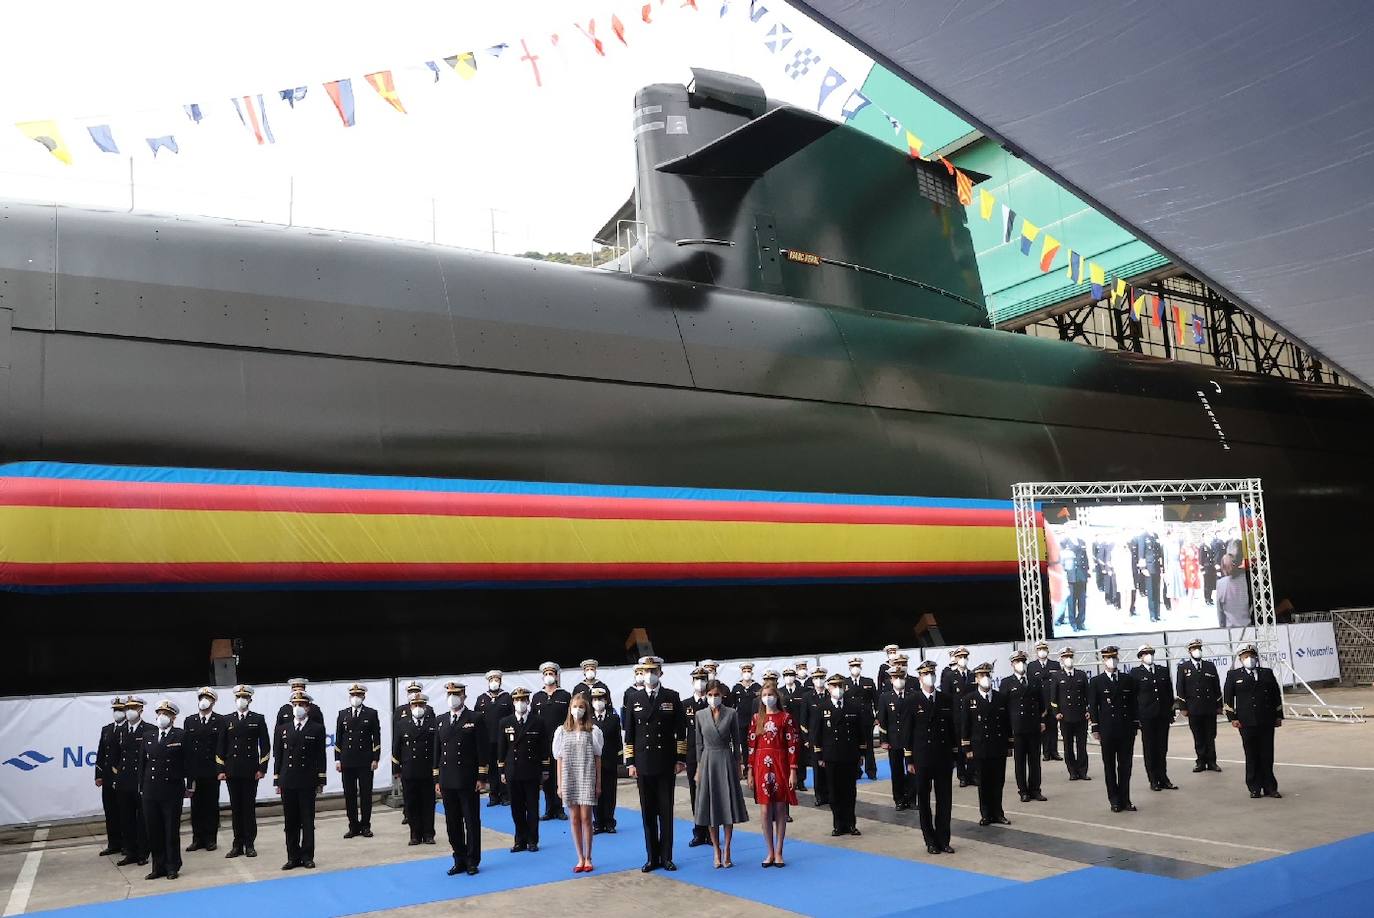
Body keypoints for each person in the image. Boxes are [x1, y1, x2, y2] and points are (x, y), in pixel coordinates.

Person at [624, 655, 687, 872]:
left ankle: (666, 856)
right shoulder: (634, 698)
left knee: (666, 811)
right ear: (641, 674)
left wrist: (680, 759)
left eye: (654, 671)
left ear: (660, 673)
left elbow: (681, 731)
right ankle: (652, 857)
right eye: (646, 671)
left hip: (666, 762)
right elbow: (629, 734)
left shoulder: (672, 696)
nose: (650, 675)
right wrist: (630, 762)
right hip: (643, 763)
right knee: (648, 811)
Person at [434, 681, 488, 876]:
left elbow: (482, 749)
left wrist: (482, 776)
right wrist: (436, 779)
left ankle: (472, 860)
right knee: (452, 823)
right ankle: (459, 858)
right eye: (449, 693)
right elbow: (437, 752)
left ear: (464, 696)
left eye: (456, 693)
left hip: (468, 779)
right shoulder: (440, 720)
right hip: (447, 780)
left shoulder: (475, 718)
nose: (452, 697)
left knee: (471, 821)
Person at [903, 660, 957, 854]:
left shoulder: (945, 699)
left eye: (932, 673)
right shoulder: (912, 701)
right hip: (922, 757)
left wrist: (955, 755)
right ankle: (930, 840)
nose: (930, 677)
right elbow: (907, 733)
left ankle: (944, 839)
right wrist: (909, 759)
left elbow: (953, 730)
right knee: (924, 801)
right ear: (920, 678)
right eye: (926, 674)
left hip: (943, 757)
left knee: (945, 800)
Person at [693, 680, 749, 868]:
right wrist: (698, 769)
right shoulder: (699, 715)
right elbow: (698, 744)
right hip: (708, 761)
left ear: (722, 695)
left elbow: (736, 740)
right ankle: (716, 849)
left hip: (726, 759)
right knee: (711, 807)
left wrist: (738, 764)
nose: (713, 698)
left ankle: (728, 849)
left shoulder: (731, 713)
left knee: (727, 806)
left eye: (716, 694)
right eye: (710, 694)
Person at [274, 690, 327, 870]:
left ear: (308, 707)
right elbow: (279, 755)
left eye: (301, 705)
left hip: (307, 780)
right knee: (290, 822)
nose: (298, 708)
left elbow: (321, 756)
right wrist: (277, 779)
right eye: (295, 705)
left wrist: (321, 780)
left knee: (307, 821)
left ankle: (307, 856)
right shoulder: (283, 729)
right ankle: (292, 856)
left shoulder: (316, 728)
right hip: (288, 780)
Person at [811, 673, 868, 837]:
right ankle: (838, 824)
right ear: (828, 688)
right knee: (834, 792)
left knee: (850, 791)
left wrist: (862, 752)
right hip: (831, 756)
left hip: (849, 755)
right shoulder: (822, 708)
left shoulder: (853, 707)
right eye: (834, 686)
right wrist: (819, 755)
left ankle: (851, 824)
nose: (838, 689)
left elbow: (860, 732)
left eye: (840, 686)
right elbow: (817, 734)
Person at [747, 679, 797, 867]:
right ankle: (769, 851)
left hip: (780, 763)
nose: (768, 698)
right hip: (761, 765)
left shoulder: (786, 718)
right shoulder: (756, 719)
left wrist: (793, 770)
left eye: (771, 695)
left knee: (780, 808)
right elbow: (751, 746)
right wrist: (750, 770)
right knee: (765, 809)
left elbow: (792, 744)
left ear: (777, 697)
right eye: (765, 695)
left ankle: (779, 851)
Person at [1224, 644, 1284, 799]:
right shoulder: (1233, 675)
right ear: (1240, 659)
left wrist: (1278, 716)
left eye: (1251, 655)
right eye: (1245, 656)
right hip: (1246, 721)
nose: (1249, 659)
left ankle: (1270, 787)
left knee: (1267, 754)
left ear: (1256, 657)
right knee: (1251, 755)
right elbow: (1229, 698)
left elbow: (1275, 696)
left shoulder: (1266, 673)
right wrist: (1233, 718)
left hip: (1266, 720)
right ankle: (1254, 787)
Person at [554, 691, 603, 873]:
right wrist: (559, 784)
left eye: (581, 707)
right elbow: (559, 758)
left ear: (586, 709)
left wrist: (598, 783)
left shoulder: (593, 731)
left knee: (586, 818)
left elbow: (598, 758)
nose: (577, 710)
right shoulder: (562, 731)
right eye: (574, 707)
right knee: (574, 819)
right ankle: (579, 857)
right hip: (569, 777)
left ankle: (589, 856)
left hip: (587, 776)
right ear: (569, 709)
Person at [218, 684, 270, 858]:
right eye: (239, 697)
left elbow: (265, 746)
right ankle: (237, 844)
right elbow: (221, 747)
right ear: (235, 700)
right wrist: (221, 769)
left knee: (248, 809)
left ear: (250, 700)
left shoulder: (258, 719)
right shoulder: (227, 720)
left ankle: (250, 844)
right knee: (236, 809)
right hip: (232, 770)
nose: (241, 700)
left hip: (250, 771)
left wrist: (262, 768)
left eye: (245, 697)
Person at [140, 700, 189, 880]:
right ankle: (157, 866)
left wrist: (189, 785)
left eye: (166, 714)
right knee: (153, 830)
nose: (162, 717)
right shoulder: (149, 736)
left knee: (170, 830)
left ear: (173, 717)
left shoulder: (180, 735)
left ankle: (172, 866)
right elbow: (142, 764)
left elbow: (188, 762)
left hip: (171, 789)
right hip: (150, 789)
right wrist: (141, 787)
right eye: (160, 713)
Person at [499, 686, 551, 853]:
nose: (520, 703)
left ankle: (532, 840)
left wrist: (545, 769)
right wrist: (501, 771)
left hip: (531, 771)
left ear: (528, 701)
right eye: (517, 700)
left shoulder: (537, 721)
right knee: (516, 808)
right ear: (513, 702)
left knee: (532, 808)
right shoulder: (505, 722)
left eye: (523, 700)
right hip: (513, 771)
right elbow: (502, 749)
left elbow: (544, 747)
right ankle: (519, 839)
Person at [1088, 646, 1139, 813]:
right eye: (1108, 657)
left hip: (1125, 729)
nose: (1112, 660)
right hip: (1107, 730)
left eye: (1114, 657)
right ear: (1103, 660)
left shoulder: (1127, 679)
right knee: (1109, 766)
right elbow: (1094, 706)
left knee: (1125, 766)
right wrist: (1095, 727)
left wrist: (1135, 724)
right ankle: (1114, 800)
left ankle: (1126, 799)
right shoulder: (1096, 681)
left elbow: (1133, 704)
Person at [961, 662, 1012, 826]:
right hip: (980, 747)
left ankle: (998, 812)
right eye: (982, 676)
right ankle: (986, 814)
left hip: (997, 746)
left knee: (998, 781)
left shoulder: (1000, 697)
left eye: (988, 675)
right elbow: (965, 725)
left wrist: (1009, 745)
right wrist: (967, 747)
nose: (986, 679)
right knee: (983, 782)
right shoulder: (970, 699)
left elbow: (1007, 723)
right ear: (976, 679)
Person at [335, 682, 382, 839]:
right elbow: (339, 738)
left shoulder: (371, 713)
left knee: (366, 794)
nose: (356, 698)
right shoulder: (343, 714)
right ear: (350, 696)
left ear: (364, 696)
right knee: (349, 795)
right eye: (353, 695)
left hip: (365, 760)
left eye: (359, 695)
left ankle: (365, 826)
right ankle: (353, 826)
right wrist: (337, 759)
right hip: (347, 760)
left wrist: (376, 758)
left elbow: (376, 738)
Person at [115, 696, 155, 868]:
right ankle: (130, 851)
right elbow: (117, 756)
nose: (129, 711)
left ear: (140, 710)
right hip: (124, 781)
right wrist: (116, 777)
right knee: (126, 818)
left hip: (140, 780)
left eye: (133, 708)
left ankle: (143, 852)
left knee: (143, 819)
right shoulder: (121, 730)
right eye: (127, 708)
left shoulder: (149, 729)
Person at [1002, 651, 1046, 803]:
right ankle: (1023, 791)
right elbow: (1004, 708)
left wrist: (1041, 720)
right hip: (1017, 728)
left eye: (1022, 661)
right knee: (1020, 762)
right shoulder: (1007, 682)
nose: (1020, 664)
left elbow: (1041, 703)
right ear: (1012, 664)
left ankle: (1035, 789)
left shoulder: (1034, 681)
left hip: (1033, 726)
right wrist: (1007, 730)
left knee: (1035, 761)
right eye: (1017, 661)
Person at [394, 691, 438, 845]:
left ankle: (428, 833)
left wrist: (437, 770)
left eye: (421, 705)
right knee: (411, 803)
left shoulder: (433, 723)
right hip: (409, 770)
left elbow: (436, 748)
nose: (418, 707)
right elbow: (396, 748)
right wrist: (396, 769)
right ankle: (414, 834)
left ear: (425, 706)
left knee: (428, 803)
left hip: (427, 770)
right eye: (415, 705)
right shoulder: (402, 724)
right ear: (410, 706)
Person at [183, 687, 224, 852]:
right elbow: (186, 748)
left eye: (207, 698)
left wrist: (220, 769)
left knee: (211, 805)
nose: (204, 700)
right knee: (196, 806)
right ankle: (197, 838)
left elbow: (221, 747)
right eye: (202, 697)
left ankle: (210, 839)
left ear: (213, 702)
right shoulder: (190, 721)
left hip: (211, 771)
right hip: (194, 771)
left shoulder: (220, 720)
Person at [1132, 644, 1177, 791]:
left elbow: (1169, 693)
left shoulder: (1162, 670)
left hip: (1162, 715)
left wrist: (1171, 712)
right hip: (1147, 717)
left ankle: (1163, 777)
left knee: (1162, 748)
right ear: (1140, 657)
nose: (1149, 655)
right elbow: (1133, 697)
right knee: (1150, 748)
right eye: (1145, 653)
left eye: (1150, 653)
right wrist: (1137, 717)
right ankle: (1153, 779)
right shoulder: (1136, 673)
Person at [531, 661, 572, 821]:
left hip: (561, 742)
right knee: (546, 777)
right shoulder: (537, 697)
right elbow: (533, 720)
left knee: (561, 776)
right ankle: (549, 808)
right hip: (543, 743)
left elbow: (570, 719)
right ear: (543, 677)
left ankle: (560, 808)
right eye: (546, 674)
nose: (549, 676)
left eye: (552, 674)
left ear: (556, 676)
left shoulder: (565, 695)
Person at [1177, 638, 1223, 772]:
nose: (1197, 651)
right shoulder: (1183, 667)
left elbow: (1216, 687)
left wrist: (1219, 705)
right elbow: (1180, 688)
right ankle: (1201, 762)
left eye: (1199, 648)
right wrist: (1183, 707)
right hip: (1193, 708)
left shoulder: (1209, 666)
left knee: (1210, 735)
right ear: (1189, 651)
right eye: (1194, 649)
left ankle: (1212, 762)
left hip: (1209, 707)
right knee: (1198, 736)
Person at [877, 657, 916, 810]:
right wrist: (883, 740)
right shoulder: (885, 697)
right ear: (891, 679)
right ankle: (899, 799)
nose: (899, 680)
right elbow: (882, 721)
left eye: (901, 677)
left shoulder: (912, 695)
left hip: (910, 740)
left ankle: (912, 799)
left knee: (912, 769)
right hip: (894, 740)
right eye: (895, 677)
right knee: (897, 771)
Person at [1050, 648, 1091, 780]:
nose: (1068, 659)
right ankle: (1072, 771)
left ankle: (1083, 770)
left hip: (1080, 715)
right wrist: (1056, 712)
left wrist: (1088, 711)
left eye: (1070, 656)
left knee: (1081, 745)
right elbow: (1053, 698)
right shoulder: (1057, 676)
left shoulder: (1081, 675)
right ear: (1061, 659)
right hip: (1065, 716)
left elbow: (1088, 695)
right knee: (1068, 746)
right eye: (1066, 657)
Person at [94, 697, 126, 857]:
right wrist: (98, 775)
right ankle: (113, 843)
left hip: (123, 778)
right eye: (115, 710)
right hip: (107, 778)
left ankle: (127, 844)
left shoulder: (129, 729)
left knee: (124, 812)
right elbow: (101, 754)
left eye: (120, 710)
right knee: (110, 812)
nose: (117, 713)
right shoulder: (106, 729)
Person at [475, 670, 513, 806]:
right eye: (492, 680)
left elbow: (513, 718)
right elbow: (477, 719)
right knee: (491, 768)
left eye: (497, 679)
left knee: (503, 767)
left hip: (503, 739)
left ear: (500, 681)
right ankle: (493, 795)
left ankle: (505, 795)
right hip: (487, 740)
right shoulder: (481, 699)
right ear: (488, 682)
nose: (494, 682)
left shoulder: (507, 698)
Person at [684, 665, 712, 848]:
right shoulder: (685, 704)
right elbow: (681, 732)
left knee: (709, 794)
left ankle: (711, 832)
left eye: (703, 679)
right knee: (695, 794)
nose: (700, 683)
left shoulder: (712, 703)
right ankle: (698, 831)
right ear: (692, 682)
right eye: (697, 680)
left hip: (710, 754)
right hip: (693, 755)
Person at [941, 647, 976, 787]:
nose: (963, 659)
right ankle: (962, 775)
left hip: (972, 717)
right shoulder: (950, 676)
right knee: (961, 747)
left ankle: (973, 774)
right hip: (957, 717)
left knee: (972, 745)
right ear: (955, 658)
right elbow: (946, 698)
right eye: (960, 657)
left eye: (965, 657)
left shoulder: (973, 675)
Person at [589, 687, 622, 834]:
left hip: (609, 761)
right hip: (592, 762)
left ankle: (609, 821)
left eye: (600, 699)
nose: (598, 702)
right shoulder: (588, 719)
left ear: (606, 700)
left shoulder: (613, 718)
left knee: (609, 792)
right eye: (595, 699)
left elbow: (618, 741)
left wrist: (619, 760)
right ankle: (598, 822)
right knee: (595, 793)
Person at [844, 656, 880, 780]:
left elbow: (876, 700)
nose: (855, 668)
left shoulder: (868, 681)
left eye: (857, 666)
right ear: (849, 668)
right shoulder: (845, 683)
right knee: (853, 746)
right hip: (852, 719)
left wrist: (877, 716)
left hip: (866, 719)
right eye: (853, 666)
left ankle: (871, 771)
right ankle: (856, 771)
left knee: (869, 746)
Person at [1026, 640, 1061, 761]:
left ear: (1048, 650)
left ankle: (1054, 751)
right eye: (1039, 650)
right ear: (1036, 651)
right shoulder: (1031, 666)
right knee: (1043, 728)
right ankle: (1046, 752)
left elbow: (1058, 684)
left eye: (1044, 649)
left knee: (1054, 727)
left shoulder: (1055, 665)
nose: (1042, 652)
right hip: (1039, 702)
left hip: (1053, 700)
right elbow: (1031, 686)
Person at [801, 667, 830, 805]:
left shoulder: (830, 694)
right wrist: (806, 739)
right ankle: (819, 796)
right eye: (816, 678)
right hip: (814, 738)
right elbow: (803, 719)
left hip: (829, 738)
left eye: (822, 678)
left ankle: (830, 794)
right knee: (817, 769)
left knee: (829, 767)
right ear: (812, 680)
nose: (819, 681)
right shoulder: (807, 697)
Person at [781, 667, 809, 792]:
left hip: (799, 728)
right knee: (786, 756)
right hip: (785, 729)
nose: (789, 678)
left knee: (801, 756)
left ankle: (801, 781)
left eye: (791, 675)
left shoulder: (802, 692)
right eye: (786, 676)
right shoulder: (780, 692)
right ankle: (788, 780)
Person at [731, 663, 761, 750]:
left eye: (748, 671)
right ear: (741, 673)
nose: (746, 673)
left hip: (755, 720)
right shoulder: (736, 688)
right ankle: (746, 762)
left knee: (755, 743)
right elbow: (733, 705)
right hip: (741, 721)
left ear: (752, 673)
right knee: (743, 744)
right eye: (744, 671)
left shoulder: (757, 687)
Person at [1216, 555, 1252, 627]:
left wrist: (1222, 628)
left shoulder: (1220, 584)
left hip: (1230, 629)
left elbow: (1220, 612)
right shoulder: (1248, 580)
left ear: (1223, 567)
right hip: (1249, 627)